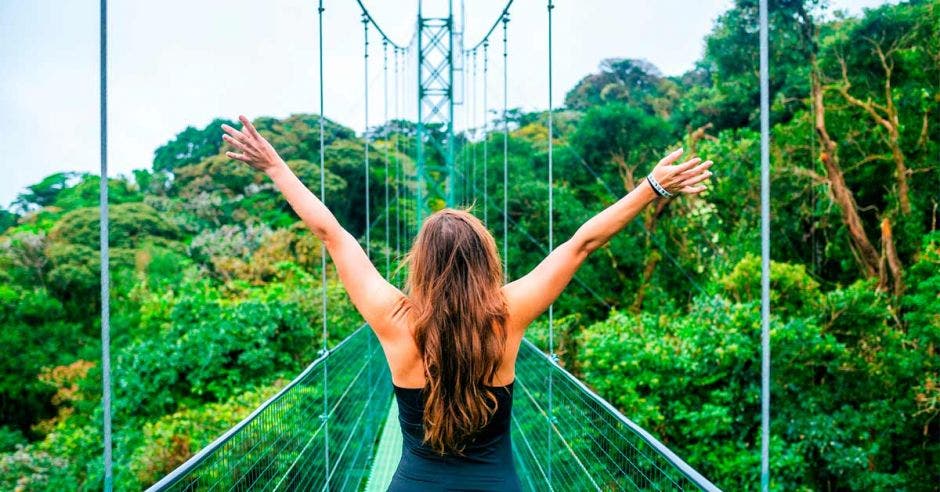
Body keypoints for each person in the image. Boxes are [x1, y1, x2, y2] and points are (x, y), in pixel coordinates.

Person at [221, 115, 713, 491]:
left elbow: (331, 234)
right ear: (485, 259)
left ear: (421, 265)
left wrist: (275, 166)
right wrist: (651, 188)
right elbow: (580, 244)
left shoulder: (394, 320)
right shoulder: (509, 313)